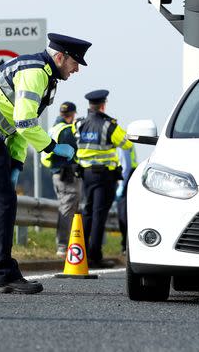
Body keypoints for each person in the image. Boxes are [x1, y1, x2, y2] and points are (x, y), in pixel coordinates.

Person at [0, 33, 91, 294]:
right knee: (2, 201)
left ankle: (2, 273)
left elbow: (17, 129)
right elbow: (25, 122)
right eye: (75, 63)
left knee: (0, 201)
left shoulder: (46, 77)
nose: (76, 70)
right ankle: (3, 275)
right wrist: (51, 146)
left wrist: (16, 164)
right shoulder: (36, 72)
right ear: (60, 57)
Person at [76, 89, 133, 269]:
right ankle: (95, 256)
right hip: (104, 176)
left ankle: (81, 254)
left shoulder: (78, 124)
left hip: (85, 175)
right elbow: (127, 143)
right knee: (99, 215)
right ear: (103, 105)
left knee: (87, 212)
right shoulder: (109, 126)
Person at [41, 101, 80, 258]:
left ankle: (66, 246)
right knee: (67, 210)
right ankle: (63, 247)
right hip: (67, 175)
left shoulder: (53, 128)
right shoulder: (67, 130)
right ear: (72, 115)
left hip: (56, 173)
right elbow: (75, 152)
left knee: (65, 208)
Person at [115, 144, 138, 253]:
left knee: (123, 214)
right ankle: (126, 245)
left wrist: (122, 185)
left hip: (126, 177)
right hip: (127, 176)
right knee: (125, 213)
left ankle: (126, 245)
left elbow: (126, 165)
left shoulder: (120, 139)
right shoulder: (122, 136)